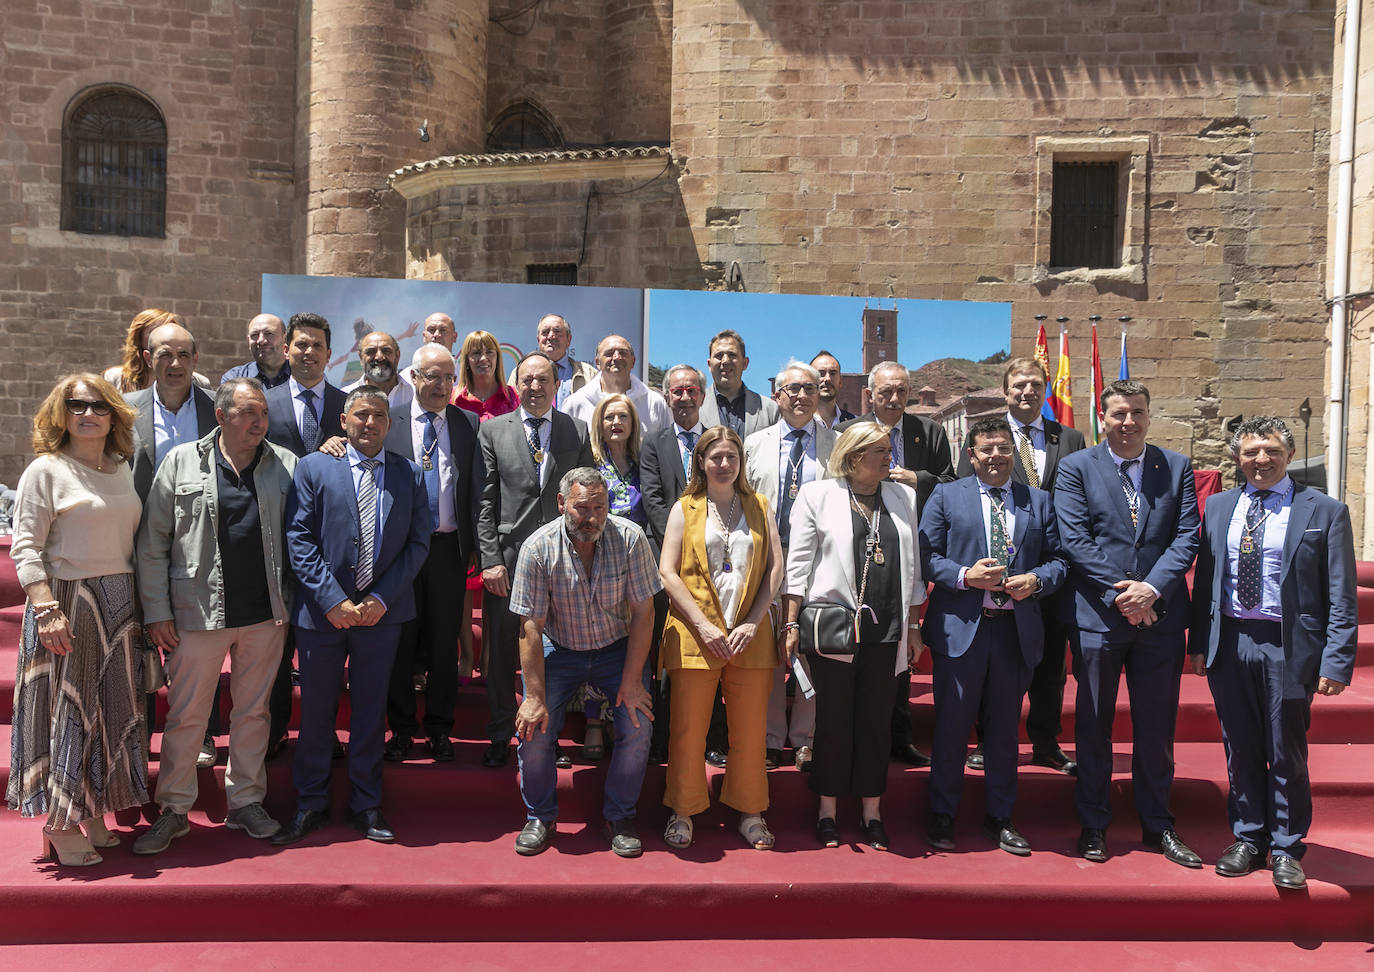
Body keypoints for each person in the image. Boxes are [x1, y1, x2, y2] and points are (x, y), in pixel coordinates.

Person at [1189, 417, 1357, 891]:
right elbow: (1207, 581)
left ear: (1288, 454)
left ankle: (1286, 846)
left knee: (1286, 750)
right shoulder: (1220, 507)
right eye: (1250, 451)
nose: (1260, 459)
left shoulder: (1324, 510)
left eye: (1271, 450)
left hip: (1288, 646)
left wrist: (1336, 659)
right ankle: (1248, 837)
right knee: (1239, 746)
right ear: (1236, 458)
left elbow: (1341, 594)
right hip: (1232, 641)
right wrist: (1200, 642)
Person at [132, 378, 297, 853]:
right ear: (221, 416)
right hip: (195, 613)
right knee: (186, 716)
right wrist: (157, 611)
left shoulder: (285, 465)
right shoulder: (180, 461)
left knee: (253, 713)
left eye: (263, 413)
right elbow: (153, 544)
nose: (259, 423)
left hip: (265, 615)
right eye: (248, 413)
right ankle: (175, 810)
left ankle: (246, 803)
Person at [273, 387, 431, 846]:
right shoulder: (314, 468)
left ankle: (366, 804)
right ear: (343, 420)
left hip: (383, 615)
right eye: (361, 415)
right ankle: (310, 804)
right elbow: (298, 537)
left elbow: (418, 544)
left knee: (368, 714)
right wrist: (331, 600)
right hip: (323, 615)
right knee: (318, 713)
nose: (370, 423)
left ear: (389, 423)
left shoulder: (411, 475)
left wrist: (380, 599)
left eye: (378, 415)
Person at [1054, 379, 1201, 869]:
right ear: (1103, 417)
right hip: (1099, 616)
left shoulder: (1175, 466)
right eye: (1119, 413)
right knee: (1094, 725)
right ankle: (1094, 823)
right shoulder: (1076, 468)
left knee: (1156, 727)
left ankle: (1158, 824)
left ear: (1149, 414)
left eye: (1137, 412)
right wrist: (1125, 595)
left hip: (1160, 618)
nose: (1129, 422)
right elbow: (1076, 540)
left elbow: (1185, 537)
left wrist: (1150, 590)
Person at [6, 374, 148, 866]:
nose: (88, 414)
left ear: (115, 414)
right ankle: (60, 821)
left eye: (98, 405)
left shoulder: (122, 467)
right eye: (76, 405)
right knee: (68, 712)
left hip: (119, 603)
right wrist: (46, 609)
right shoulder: (45, 470)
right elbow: (25, 547)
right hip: (66, 603)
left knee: (108, 713)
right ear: (60, 414)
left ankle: (91, 811)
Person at [920, 417, 1067, 856]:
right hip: (963, 631)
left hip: (1014, 632)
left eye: (1004, 448)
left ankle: (1000, 816)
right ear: (972, 455)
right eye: (987, 450)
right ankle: (943, 814)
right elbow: (926, 555)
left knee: (1004, 731)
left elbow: (1060, 559)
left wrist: (1036, 581)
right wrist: (965, 576)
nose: (997, 457)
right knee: (951, 727)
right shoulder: (946, 495)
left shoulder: (1038, 501)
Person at [783, 422, 925, 850]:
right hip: (835, 631)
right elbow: (798, 566)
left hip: (888, 629)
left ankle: (871, 811)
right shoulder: (817, 495)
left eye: (888, 449)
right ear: (852, 455)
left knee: (876, 723)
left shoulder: (904, 496)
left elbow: (914, 567)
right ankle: (827, 810)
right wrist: (790, 623)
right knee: (832, 722)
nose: (889, 457)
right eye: (879, 451)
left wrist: (915, 625)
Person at [508, 468, 662, 857]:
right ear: (562, 504)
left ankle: (620, 817)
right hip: (558, 648)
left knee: (637, 721)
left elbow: (644, 613)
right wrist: (534, 697)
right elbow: (530, 626)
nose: (591, 517)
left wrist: (631, 681)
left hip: (616, 647)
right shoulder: (537, 548)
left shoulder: (630, 538)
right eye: (581, 508)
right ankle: (540, 816)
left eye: (599, 507)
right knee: (535, 728)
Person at [957, 357, 1085, 776]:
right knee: (992, 662)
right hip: (994, 572)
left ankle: (1046, 741)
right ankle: (987, 740)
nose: (1027, 392)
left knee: (1049, 664)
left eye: (1035, 385)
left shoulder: (1069, 438)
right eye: (1018, 385)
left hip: (1048, 571)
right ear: (1005, 390)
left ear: (1046, 389)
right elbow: (963, 495)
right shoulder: (984, 437)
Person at [659, 427, 783, 850]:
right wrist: (703, 625)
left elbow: (775, 571)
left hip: (750, 637)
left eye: (732, 457)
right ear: (700, 461)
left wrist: (754, 620)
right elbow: (668, 572)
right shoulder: (685, 508)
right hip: (696, 636)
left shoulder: (759, 505)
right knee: (688, 732)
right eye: (716, 457)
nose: (724, 464)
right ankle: (684, 809)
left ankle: (750, 811)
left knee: (749, 734)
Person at [476, 352, 595, 768]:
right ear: (517, 384)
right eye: (526, 380)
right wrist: (490, 559)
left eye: (543, 380)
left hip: (561, 561)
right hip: (507, 562)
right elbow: (484, 501)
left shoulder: (576, 430)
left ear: (556, 384)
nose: (535, 387)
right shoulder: (492, 431)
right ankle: (499, 734)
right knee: (503, 652)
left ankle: (549, 736)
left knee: (553, 653)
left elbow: (587, 499)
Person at [843, 360, 955, 767]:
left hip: (911, 543)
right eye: (886, 391)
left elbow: (949, 480)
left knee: (899, 645)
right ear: (870, 394)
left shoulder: (930, 432)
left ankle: (900, 735)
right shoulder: (849, 432)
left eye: (902, 391)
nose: (894, 398)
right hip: (858, 549)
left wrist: (916, 479)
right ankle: (853, 733)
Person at [382, 345, 479, 764]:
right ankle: (402, 730)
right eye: (431, 376)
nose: (440, 386)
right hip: (400, 553)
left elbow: (478, 489)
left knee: (444, 645)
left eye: (448, 377)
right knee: (401, 643)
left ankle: (440, 729)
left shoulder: (469, 423)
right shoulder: (389, 420)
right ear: (414, 378)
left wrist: (475, 545)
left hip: (447, 550)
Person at [744, 361, 835, 772]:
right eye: (792, 389)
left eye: (809, 388)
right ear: (777, 395)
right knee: (766, 650)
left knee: (809, 650)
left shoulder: (837, 443)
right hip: (765, 561)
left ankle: (804, 738)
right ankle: (768, 737)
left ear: (820, 394)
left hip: (819, 562)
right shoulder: (753, 443)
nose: (801, 396)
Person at [263, 311, 348, 755]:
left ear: (330, 354)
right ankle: (274, 730)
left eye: (317, 345)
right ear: (285, 350)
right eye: (300, 344)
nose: (308, 352)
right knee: (275, 653)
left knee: (324, 658)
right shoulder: (263, 400)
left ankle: (324, 733)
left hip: (330, 555)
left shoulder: (348, 406)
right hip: (273, 548)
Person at [637, 363, 711, 765]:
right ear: (667, 397)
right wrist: (682, 545)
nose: (684, 397)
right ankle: (659, 738)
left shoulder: (717, 441)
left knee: (706, 650)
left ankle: (710, 736)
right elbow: (652, 499)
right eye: (677, 391)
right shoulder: (653, 443)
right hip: (663, 562)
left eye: (691, 390)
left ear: (702, 395)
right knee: (661, 653)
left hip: (713, 566)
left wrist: (704, 548)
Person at [127, 321, 217, 502]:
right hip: (145, 523)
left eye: (183, 355)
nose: (175, 364)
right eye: (165, 355)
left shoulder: (217, 407)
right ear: (148, 359)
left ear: (195, 359)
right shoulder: (125, 410)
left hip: (202, 523)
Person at [564, 334, 671, 435]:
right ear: (597, 362)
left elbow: (665, 447)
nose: (616, 357)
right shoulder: (576, 403)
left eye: (623, 353)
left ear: (633, 361)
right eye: (609, 353)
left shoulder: (654, 403)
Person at [104, 307, 210, 393]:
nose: (164, 336)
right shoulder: (115, 378)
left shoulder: (199, 383)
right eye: (155, 330)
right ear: (139, 338)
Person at [699, 329, 779, 439]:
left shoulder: (770, 409)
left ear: (745, 363)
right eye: (719, 355)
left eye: (732, 355)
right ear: (709, 365)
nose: (725, 361)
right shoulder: (695, 407)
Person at [524, 313, 597, 409]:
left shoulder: (589, 373)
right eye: (545, 332)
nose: (551, 336)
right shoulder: (521, 372)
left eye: (557, 331)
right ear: (538, 339)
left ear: (568, 340)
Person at [453, 329, 519, 419]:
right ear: (467, 360)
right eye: (476, 353)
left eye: (489, 352)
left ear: (497, 358)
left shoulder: (513, 397)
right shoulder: (452, 398)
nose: (483, 358)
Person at [343, 330, 415, 411]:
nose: (379, 357)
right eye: (371, 352)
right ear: (361, 358)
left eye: (386, 351)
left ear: (397, 356)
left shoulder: (415, 393)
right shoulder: (345, 396)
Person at [221, 313, 292, 388]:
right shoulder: (234, 378)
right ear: (248, 341)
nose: (261, 340)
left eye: (269, 333)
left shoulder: (300, 376)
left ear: (285, 338)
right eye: (254, 335)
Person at [811, 350, 856, 428]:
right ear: (809, 380)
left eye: (833, 373)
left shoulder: (855, 425)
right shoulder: (797, 423)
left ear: (840, 381)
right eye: (821, 373)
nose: (827, 379)